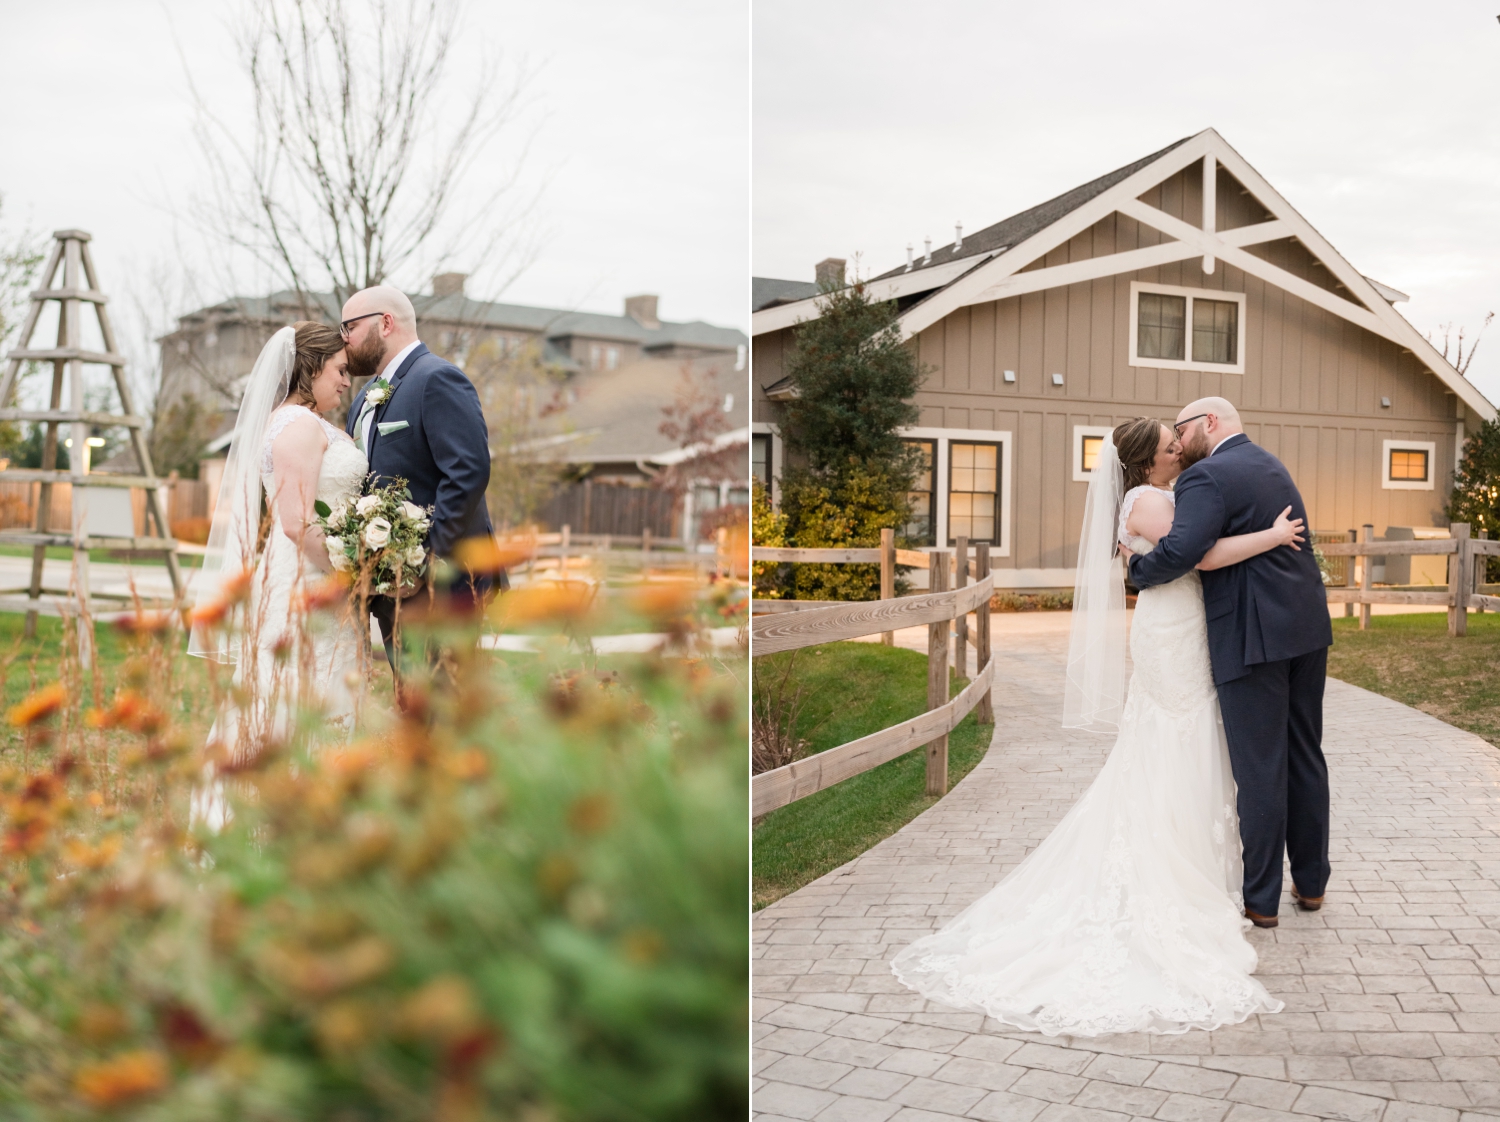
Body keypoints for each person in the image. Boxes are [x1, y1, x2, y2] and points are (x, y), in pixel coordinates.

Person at [891, 416, 1307, 1036]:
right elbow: (1205, 552)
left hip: (1184, 624)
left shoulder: (1166, 494)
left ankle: (1199, 865)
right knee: (1177, 737)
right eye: (1171, 443)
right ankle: (1172, 871)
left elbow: (1179, 552)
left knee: (1185, 738)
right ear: (1147, 462)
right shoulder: (1146, 500)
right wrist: (1271, 536)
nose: (1179, 446)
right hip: (1174, 632)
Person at [1127, 397, 1333, 928]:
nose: (1177, 439)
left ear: (1209, 424)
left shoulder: (1207, 478)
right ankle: (1311, 884)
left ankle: (1261, 899)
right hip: (1306, 629)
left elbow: (1181, 554)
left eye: (1181, 429)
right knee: (1305, 753)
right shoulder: (1270, 464)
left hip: (1252, 637)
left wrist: (1135, 570)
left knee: (1260, 764)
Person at [188, 322, 368, 791]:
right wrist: (354, 573)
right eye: (340, 370)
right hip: (308, 582)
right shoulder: (298, 427)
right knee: (300, 692)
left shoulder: (296, 422)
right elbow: (296, 523)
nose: (346, 381)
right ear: (310, 367)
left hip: (307, 576)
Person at [338, 285, 504, 682]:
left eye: (349, 326)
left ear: (386, 322)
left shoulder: (438, 378)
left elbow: (468, 471)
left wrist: (424, 562)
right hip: (389, 586)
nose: (343, 338)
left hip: (444, 582)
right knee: (412, 702)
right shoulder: (363, 398)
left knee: (448, 704)